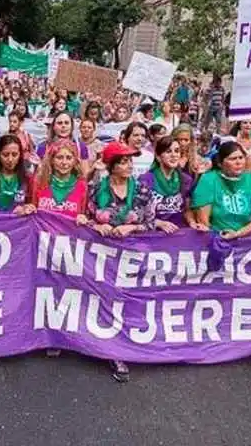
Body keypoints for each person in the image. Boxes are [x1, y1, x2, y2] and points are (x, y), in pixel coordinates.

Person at [87, 141, 157, 383]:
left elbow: (151, 222)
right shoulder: (96, 188)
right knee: (103, 301)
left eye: (130, 161)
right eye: (123, 161)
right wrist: (98, 225)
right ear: (111, 166)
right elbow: (83, 218)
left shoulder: (142, 190)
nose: (129, 165)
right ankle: (107, 348)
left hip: (132, 256)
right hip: (100, 255)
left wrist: (132, 227)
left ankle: (124, 348)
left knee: (127, 302)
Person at [191, 141, 251, 238]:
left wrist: (238, 234)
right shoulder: (208, 179)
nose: (238, 162)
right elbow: (203, 221)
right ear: (220, 163)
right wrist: (218, 236)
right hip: (216, 237)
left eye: (241, 158)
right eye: (232, 159)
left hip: (247, 238)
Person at [140, 136, 198, 232]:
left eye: (177, 151)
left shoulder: (186, 180)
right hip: (154, 231)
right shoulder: (145, 180)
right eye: (168, 151)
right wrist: (159, 223)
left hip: (179, 230)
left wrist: (192, 222)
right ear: (158, 157)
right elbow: (138, 213)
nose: (174, 155)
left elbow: (187, 210)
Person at [33, 139, 89, 222]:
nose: (64, 162)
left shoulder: (81, 186)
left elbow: (85, 215)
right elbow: (32, 211)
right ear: (51, 160)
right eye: (59, 157)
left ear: (74, 161)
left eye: (69, 158)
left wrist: (83, 218)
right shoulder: (40, 182)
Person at [0, 134, 35, 214]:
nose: (10, 159)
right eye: (5, 155)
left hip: (18, 224)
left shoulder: (27, 177)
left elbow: (32, 205)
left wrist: (26, 208)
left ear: (20, 155)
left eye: (15, 155)